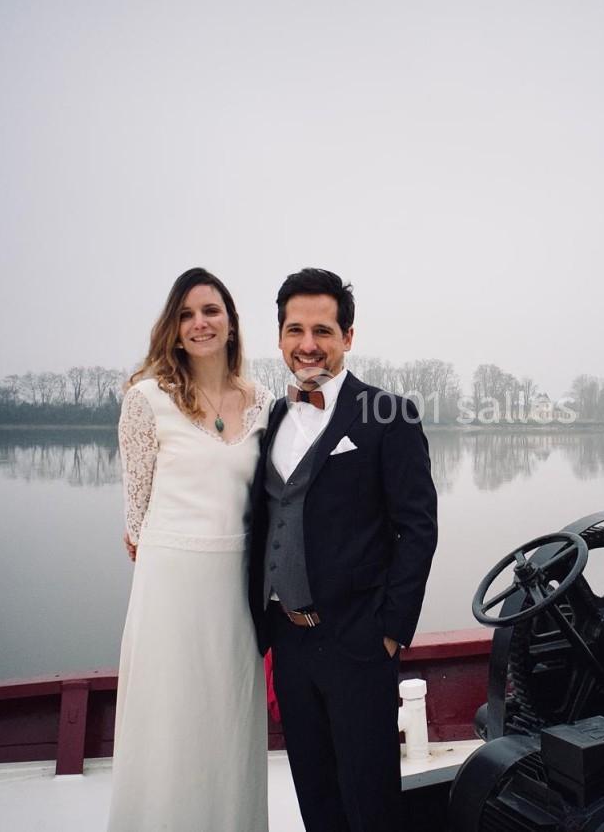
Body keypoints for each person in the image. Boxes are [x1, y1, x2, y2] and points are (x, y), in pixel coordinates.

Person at [248, 268, 438, 832]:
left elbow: (418, 528)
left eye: (323, 331)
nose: (308, 345)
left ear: (348, 337)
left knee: (370, 801)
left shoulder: (389, 415)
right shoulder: (271, 418)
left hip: (358, 639)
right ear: (280, 337)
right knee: (316, 795)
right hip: (287, 639)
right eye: (295, 330)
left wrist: (391, 628)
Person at [109, 268, 273, 832]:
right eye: (186, 314)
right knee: (170, 719)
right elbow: (135, 517)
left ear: (231, 322)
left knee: (228, 716)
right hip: (172, 579)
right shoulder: (146, 399)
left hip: (237, 584)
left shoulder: (264, 402)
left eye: (211, 311)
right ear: (174, 329)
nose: (200, 323)